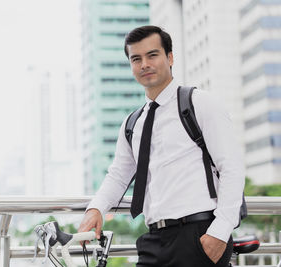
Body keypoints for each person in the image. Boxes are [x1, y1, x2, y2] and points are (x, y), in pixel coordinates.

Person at [78, 25, 245, 267]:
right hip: (153, 239)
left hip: (199, 234)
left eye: (152, 55)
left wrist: (219, 231)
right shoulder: (132, 123)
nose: (144, 64)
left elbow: (232, 168)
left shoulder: (199, 103)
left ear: (170, 58)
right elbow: (118, 176)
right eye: (136, 58)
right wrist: (95, 209)